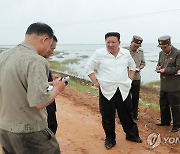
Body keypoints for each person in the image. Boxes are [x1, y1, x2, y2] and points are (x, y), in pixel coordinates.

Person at [0, 22, 66, 153]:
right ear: (45, 39)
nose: (49, 50)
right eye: (50, 46)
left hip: (5, 128)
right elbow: (39, 102)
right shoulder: (36, 60)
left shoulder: (4, 56)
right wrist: (58, 89)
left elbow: (14, 84)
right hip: (29, 131)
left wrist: (46, 85)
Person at [85, 32, 142, 150]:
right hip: (106, 90)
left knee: (127, 114)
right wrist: (95, 82)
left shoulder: (125, 53)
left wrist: (129, 81)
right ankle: (110, 139)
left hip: (123, 89)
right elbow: (88, 68)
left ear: (119, 43)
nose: (110, 45)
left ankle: (132, 135)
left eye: (113, 42)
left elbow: (132, 67)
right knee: (107, 116)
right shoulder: (99, 53)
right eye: (108, 42)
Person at [155, 35, 180, 132]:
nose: (163, 49)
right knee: (163, 104)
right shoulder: (161, 53)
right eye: (161, 47)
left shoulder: (177, 53)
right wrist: (158, 67)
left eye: (164, 47)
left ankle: (177, 125)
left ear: (169, 44)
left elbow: (177, 68)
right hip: (164, 84)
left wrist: (165, 70)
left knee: (175, 105)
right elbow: (159, 64)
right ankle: (165, 121)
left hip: (174, 85)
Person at [126, 35, 145, 120]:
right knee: (126, 97)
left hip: (136, 78)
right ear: (131, 43)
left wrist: (140, 67)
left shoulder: (140, 52)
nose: (136, 48)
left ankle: (134, 115)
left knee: (135, 97)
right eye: (134, 46)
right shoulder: (124, 51)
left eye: (137, 46)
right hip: (126, 78)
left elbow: (143, 63)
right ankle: (126, 114)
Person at [44, 35, 58, 135]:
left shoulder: (44, 61)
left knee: (52, 125)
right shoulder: (36, 63)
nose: (52, 51)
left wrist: (52, 83)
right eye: (51, 48)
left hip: (49, 104)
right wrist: (57, 88)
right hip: (43, 106)